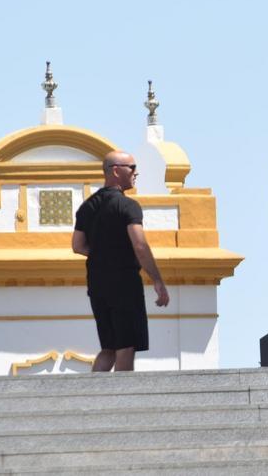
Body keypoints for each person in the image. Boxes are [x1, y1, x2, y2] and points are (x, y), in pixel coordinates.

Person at [72, 151, 170, 372]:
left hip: (97, 284)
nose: (136, 173)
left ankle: (91, 397)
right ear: (116, 170)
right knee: (126, 345)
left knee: (108, 348)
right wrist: (157, 280)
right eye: (132, 168)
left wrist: (103, 255)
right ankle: (122, 400)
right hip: (124, 282)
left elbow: (77, 245)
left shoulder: (88, 206)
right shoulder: (128, 206)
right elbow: (140, 245)